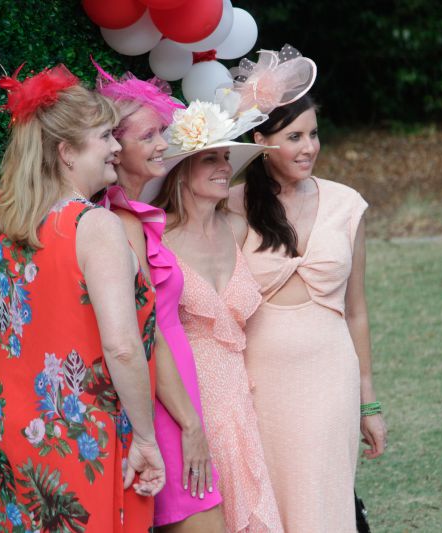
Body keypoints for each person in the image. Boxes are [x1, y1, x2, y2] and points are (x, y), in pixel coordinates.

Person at [0, 64, 165, 532]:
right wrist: (146, 438)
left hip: (23, 432)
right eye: (105, 137)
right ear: (66, 152)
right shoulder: (94, 226)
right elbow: (122, 347)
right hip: (88, 436)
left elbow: (3, 346)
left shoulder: (0, 230)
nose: (116, 147)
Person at [227, 48, 388, 532]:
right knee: (272, 503)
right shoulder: (231, 206)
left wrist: (368, 403)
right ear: (260, 141)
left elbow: (356, 311)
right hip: (261, 383)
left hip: (330, 377)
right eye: (293, 137)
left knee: (323, 502)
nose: (308, 148)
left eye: (313, 134)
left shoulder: (346, 205)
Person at [92, 60, 226, 531]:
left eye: (162, 133)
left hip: (177, 394)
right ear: (116, 147)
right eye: (148, 136)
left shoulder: (135, 211)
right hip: (164, 403)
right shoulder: (119, 224)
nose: (162, 144)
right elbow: (146, 331)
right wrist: (188, 424)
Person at [151, 98, 284, 533]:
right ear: (181, 170)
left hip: (240, 397)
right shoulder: (157, 237)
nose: (225, 167)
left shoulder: (239, 229)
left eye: (226, 158)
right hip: (190, 398)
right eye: (211, 158)